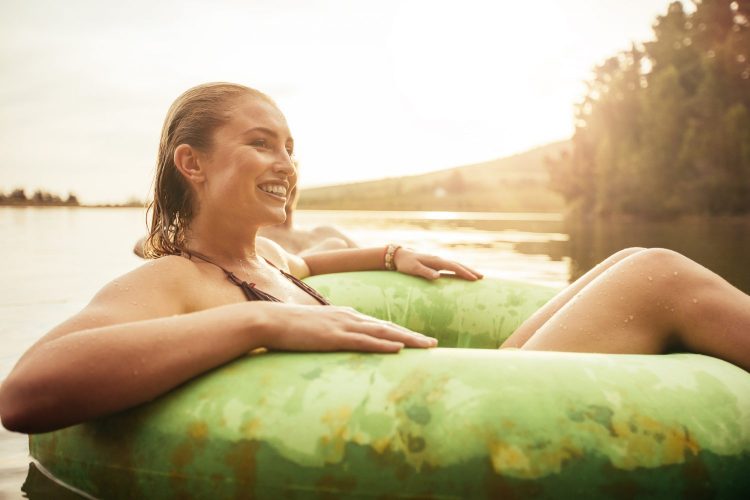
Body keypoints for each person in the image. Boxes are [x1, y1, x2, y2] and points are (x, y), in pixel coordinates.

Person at [0, 83, 748, 435]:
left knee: (626, 259)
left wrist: (393, 251)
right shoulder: (177, 279)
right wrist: (258, 330)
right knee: (662, 276)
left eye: (291, 146)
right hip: (450, 424)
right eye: (261, 143)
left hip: (460, 393)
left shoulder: (269, 266)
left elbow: (310, 268)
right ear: (191, 164)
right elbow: (25, 394)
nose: (287, 163)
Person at [131, 162, 357, 258]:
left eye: (291, 172)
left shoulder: (327, 233)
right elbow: (143, 244)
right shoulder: (244, 240)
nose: (286, 179)